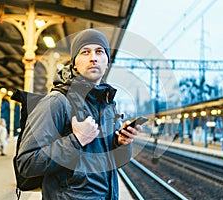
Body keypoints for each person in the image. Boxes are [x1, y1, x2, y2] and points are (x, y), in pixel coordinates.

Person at [16, 29, 142, 199]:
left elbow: (114, 162)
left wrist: (122, 143)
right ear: (74, 63)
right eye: (85, 52)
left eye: (99, 51)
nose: (93, 58)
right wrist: (75, 141)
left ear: (107, 63)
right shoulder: (56, 102)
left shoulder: (107, 106)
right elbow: (26, 163)